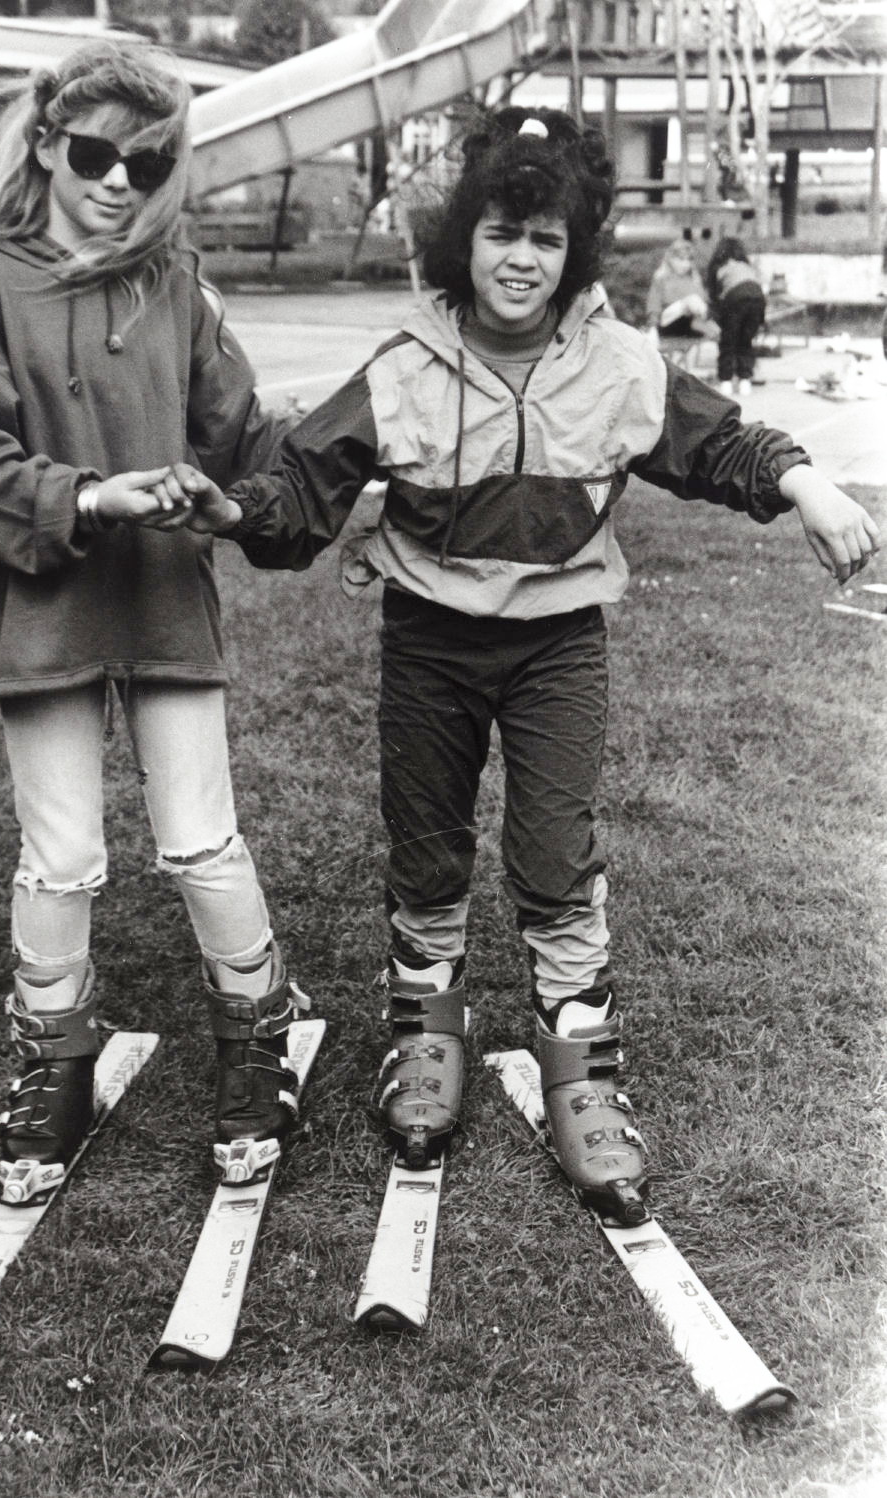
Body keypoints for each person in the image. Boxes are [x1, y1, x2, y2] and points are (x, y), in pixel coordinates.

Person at [179, 107, 879, 1224]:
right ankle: (426, 1033)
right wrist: (236, 510)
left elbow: (719, 441)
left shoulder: (618, 362)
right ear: (463, 238)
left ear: (576, 250)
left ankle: (582, 1067)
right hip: (431, 642)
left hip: (558, 646)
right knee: (427, 843)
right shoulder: (405, 364)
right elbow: (305, 487)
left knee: (554, 854)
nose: (521, 259)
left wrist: (807, 483)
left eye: (547, 239)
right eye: (501, 232)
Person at [0, 41, 310, 1206]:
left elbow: (241, 438)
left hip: (164, 597)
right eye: (95, 155)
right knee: (62, 855)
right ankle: (56, 1062)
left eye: (148, 162)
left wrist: (288, 481)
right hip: (42, 611)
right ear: (45, 146)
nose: (120, 181)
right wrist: (89, 498)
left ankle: (257, 1037)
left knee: (200, 839)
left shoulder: (174, 281)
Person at [705, 236, 767, 397]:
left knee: (728, 340)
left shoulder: (720, 267)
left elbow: (715, 298)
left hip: (735, 298)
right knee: (746, 340)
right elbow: (758, 286)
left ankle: (726, 380)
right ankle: (745, 380)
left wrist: (716, 320)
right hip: (757, 298)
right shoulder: (747, 267)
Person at [645, 236, 712, 352]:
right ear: (671, 259)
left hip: (689, 323)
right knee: (691, 300)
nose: (685, 264)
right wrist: (652, 327)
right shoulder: (661, 278)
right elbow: (653, 304)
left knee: (696, 301)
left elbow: (702, 305)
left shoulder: (694, 279)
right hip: (666, 323)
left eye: (688, 260)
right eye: (681, 260)